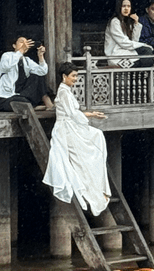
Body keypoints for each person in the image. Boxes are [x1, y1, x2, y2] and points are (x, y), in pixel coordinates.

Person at [42, 61, 111, 215]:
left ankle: (99, 189)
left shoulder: (66, 90)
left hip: (71, 124)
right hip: (66, 129)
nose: (75, 79)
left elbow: (73, 112)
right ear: (64, 76)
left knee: (97, 136)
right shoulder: (63, 92)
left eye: (76, 76)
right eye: (73, 76)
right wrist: (91, 116)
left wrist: (92, 113)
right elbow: (72, 114)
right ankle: (93, 194)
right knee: (84, 159)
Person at [0, 36, 53, 112]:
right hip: (5, 97)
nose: (24, 44)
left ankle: (45, 100)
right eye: (21, 42)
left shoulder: (26, 60)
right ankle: (32, 107)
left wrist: (40, 56)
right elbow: (6, 67)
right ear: (14, 46)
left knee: (37, 76)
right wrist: (20, 51)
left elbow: (42, 71)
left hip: (19, 94)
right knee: (19, 101)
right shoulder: (7, 56)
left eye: (26, 43)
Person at [104, 0, 153, 67]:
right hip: (116, 54)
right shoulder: (115, 22)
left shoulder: (127, 22)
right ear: (119, 7)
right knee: (145, 53)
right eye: (124, 6)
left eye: (128, 6)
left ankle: (143, 77)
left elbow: (134, 40)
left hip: (127, 52)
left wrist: (136, 23)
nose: (126, 8)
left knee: (147, 54)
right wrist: (142, 45)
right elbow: (123, 42)